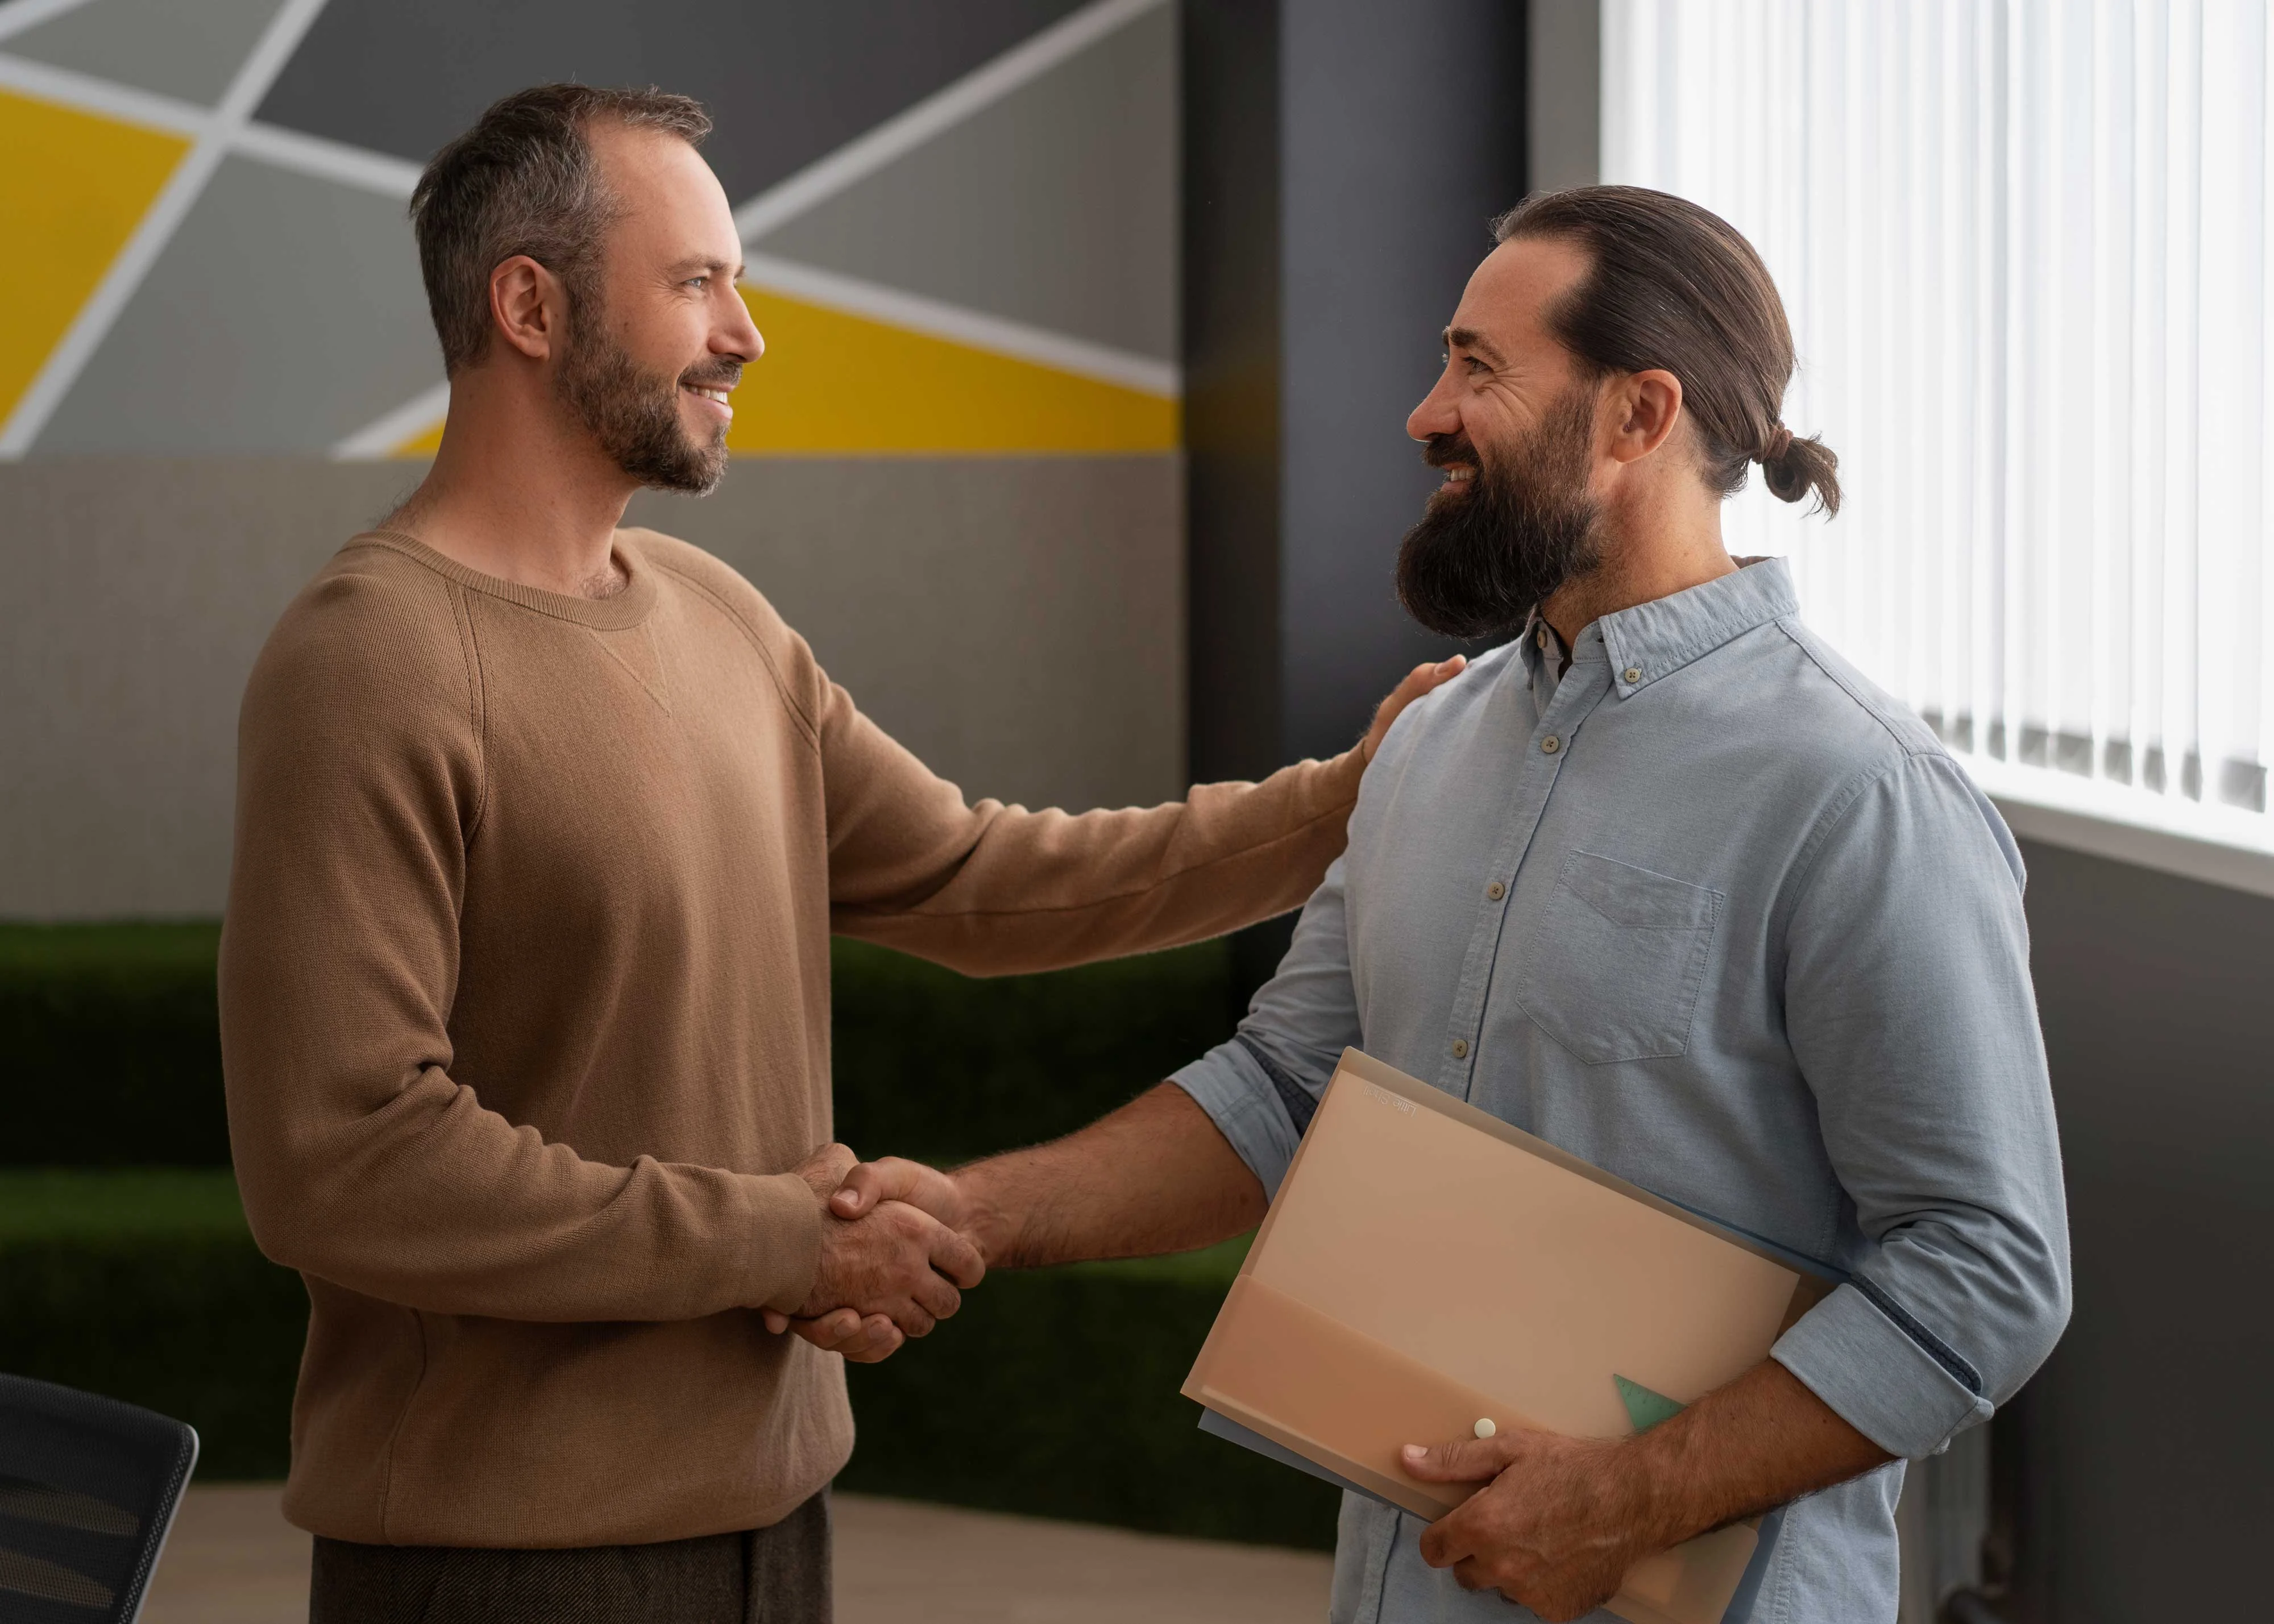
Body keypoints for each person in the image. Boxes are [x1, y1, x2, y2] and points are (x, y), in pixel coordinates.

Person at [217, 84, 1458, 1624]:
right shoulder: (370, 662)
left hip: (777, 1511)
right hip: (504, 1562)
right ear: (529, 306)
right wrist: (786, 1240)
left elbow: (980, 879)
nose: (746, 333)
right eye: (696, 283)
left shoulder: (720, 617)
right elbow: (347, 1164)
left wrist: (1346, 803)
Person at [823, 186, 2073, 1623]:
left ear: (1636, 416)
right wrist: (967, 1213)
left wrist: (1626, 1498)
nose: (1426, 414)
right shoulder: (1427, 741)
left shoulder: (1861, 793)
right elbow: (1286, 1094)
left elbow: (1985, 1264)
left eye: (1479, 369)